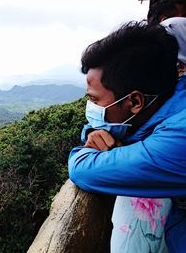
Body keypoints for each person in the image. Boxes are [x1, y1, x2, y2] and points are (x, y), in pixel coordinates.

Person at [68, 21, 186, 253]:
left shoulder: (179, 139)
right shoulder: (168, 104)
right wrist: (94, 133)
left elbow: (82, 169)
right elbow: (133, 131)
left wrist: (82, 152)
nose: (90, 107)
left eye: (94, 100)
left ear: (134, 102)